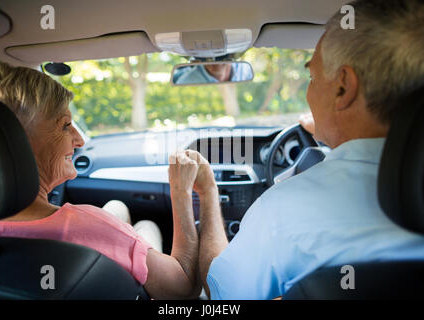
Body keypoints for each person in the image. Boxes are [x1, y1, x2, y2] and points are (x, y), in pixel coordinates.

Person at [180, 0, 424, 299]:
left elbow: (224, 296)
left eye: (312, 77)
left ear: (343, 89)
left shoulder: (286, 210)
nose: (309, 90)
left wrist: (208, 195)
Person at [0, 58, 201, 300]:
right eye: (65, 126)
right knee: (146, 227)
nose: (80, 140)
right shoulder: (88, 227)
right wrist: (182, 190)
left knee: (117, 208)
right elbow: (183, 288)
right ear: (14, 142)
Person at [173, 62, 253, 84]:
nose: (215, 59)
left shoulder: (245, 70)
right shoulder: (186, 81)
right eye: (208, 55)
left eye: (222, 54)